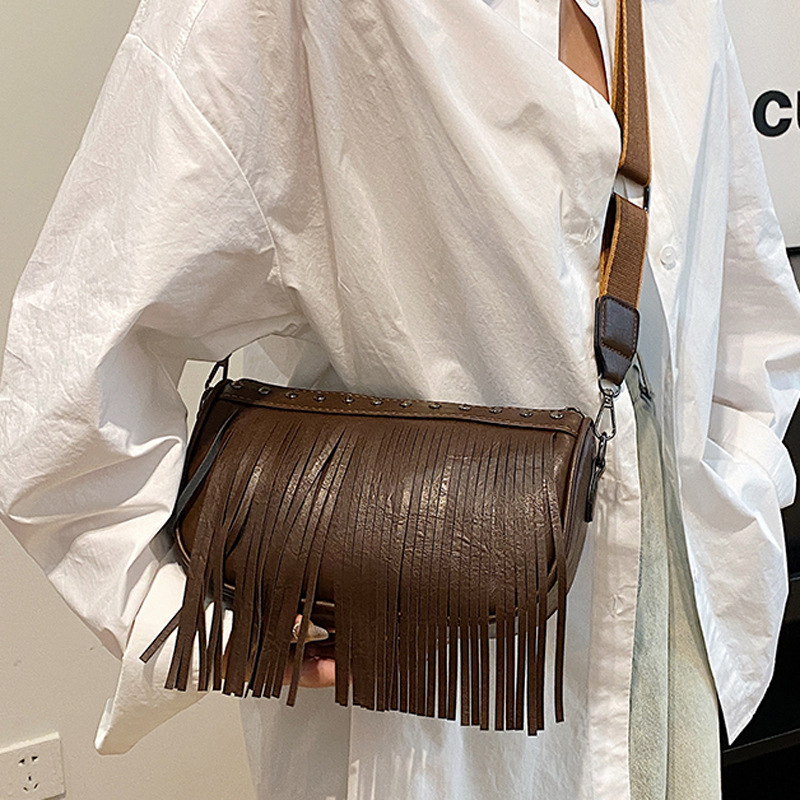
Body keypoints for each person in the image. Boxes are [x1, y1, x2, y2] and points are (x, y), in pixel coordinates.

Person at [1, 1, 798, 798]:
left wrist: (741, 498)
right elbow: (73, 360)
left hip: (669, 632)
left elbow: (742, 297)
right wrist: (205, 622)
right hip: (426, 699)